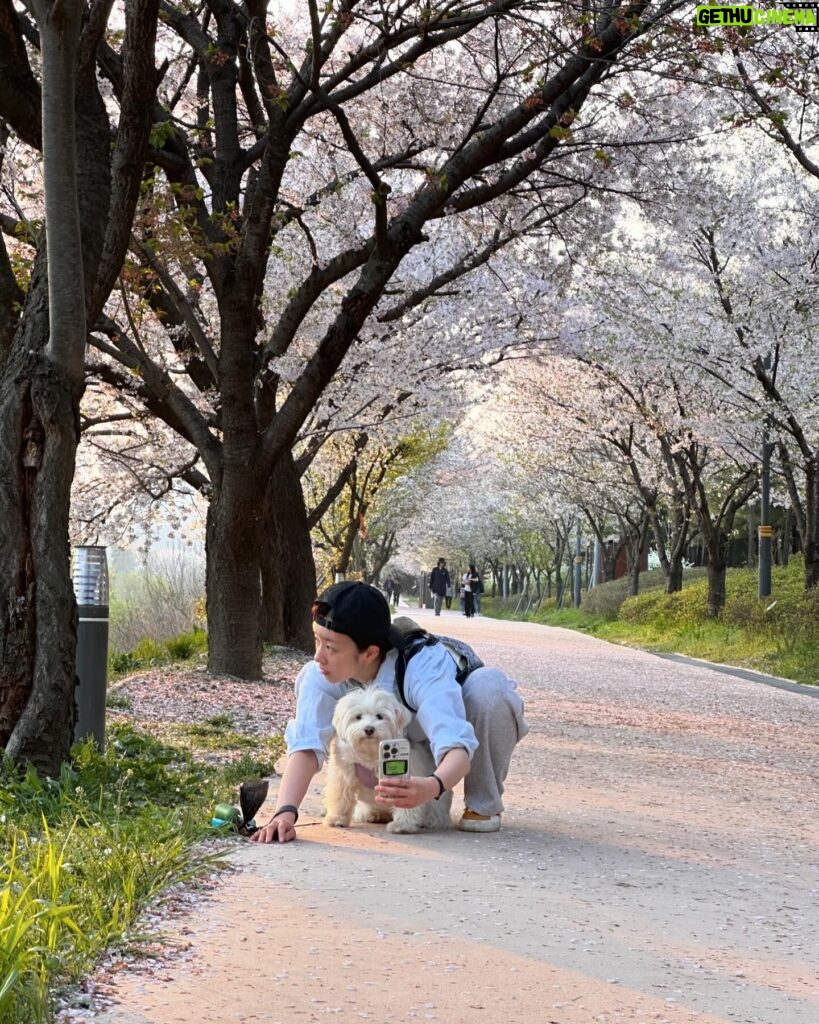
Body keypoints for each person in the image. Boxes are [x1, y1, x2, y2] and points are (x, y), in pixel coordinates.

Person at [251, 581, 528, 843]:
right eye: (317, 641)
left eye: (331, 647)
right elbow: (307, 745)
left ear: (370, 653)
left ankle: (483, 803)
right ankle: (383, 805)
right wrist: (285, 813)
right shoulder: (320, 673)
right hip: (390, 745)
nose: (318, 656)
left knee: (490, 690)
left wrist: (432, 787)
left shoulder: (422, 665)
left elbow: (455, 742)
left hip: (448, 721)